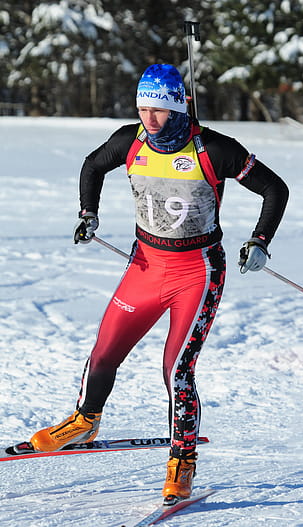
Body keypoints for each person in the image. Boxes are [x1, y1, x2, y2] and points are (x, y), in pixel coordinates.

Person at [27, 64, 289, 503]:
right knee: (103, 351)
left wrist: (259, 241)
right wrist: (88, 214)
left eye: (160, 110)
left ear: (179, 107)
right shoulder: (130, 140)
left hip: (197, 273)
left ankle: (182, 460)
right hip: (146, 266)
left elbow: (275, 190)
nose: (150, 119)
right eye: (143, 108)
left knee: (177, 371)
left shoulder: (213, 148)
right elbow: (92, 166)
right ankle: (85, 421)